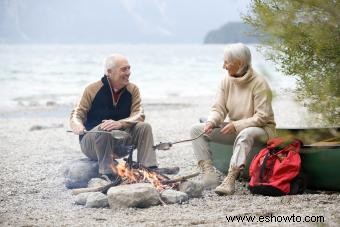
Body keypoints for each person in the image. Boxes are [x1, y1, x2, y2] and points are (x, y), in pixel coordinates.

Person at [191, 43, 276, 195]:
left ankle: (231, 178)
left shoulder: (259, 83)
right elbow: (218, 109)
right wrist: (211, 122)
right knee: (196, 129)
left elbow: (262, 117)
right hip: (236, 129)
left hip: (262, 130)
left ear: (240, 63)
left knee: (246, 133)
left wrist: (236, 125)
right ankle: (209, 174)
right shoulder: (225, 81)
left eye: (226, 62)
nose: (223, 66)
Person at [70, 53, 158, 181]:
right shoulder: (91, 89)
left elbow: (139, 114)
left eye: (129, 68)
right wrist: (77, 125)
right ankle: (107, 172)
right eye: (124, 69)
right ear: (109, 72)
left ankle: (148, 168)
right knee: (104, 127)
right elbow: (76, 114)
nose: (128, 72)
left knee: (144, 127)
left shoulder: (133, 89)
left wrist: (120, 123)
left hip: (120, 142)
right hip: (92, 143)